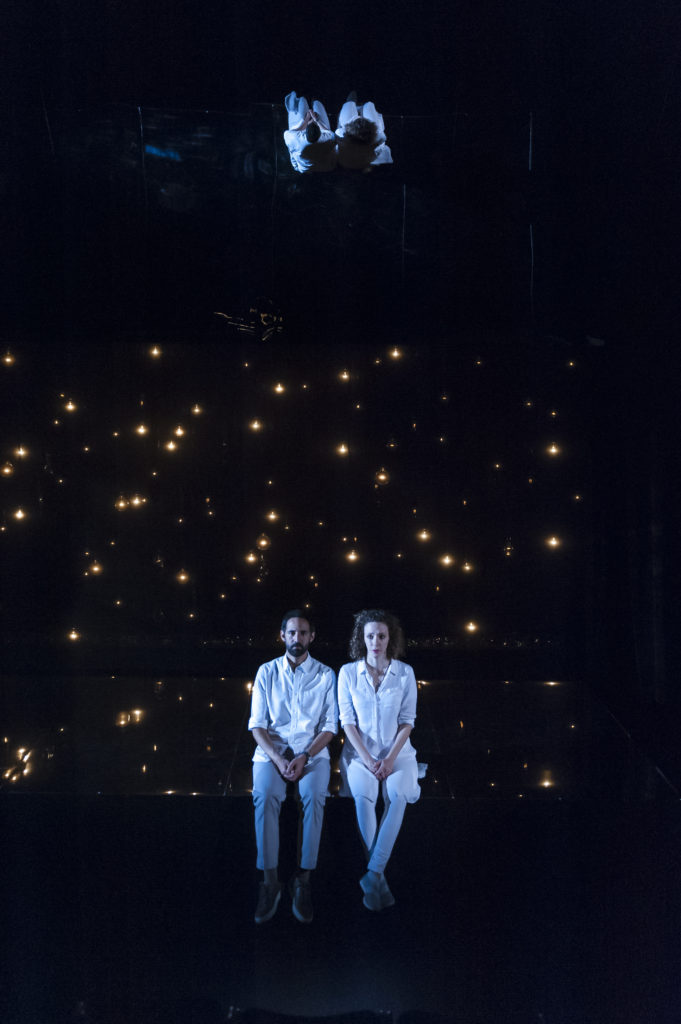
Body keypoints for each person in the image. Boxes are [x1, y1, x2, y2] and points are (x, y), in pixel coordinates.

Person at [248, 610, 337, 923]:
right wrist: (277, 757)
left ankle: (303, 881)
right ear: (282, 635)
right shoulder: (266, 672)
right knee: (265, 796)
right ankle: (271, 881)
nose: (297, 638)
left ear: (311, 637)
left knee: (315, 798)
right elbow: (257, 725)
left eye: (303, 633)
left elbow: (330, 725)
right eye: (292, 633)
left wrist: (305, 756)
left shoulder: (326, 675)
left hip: (310, 754)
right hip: (272, 753)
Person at [338, 609, 420, 910]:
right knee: (364, 797)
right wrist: (370, 759)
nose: (376, 641)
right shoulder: (348, 673)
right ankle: (377, 879)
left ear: (390, 638)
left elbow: (408, 720)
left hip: (399, 754)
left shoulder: (405, 673)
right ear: (362, 638)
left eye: (381, 636)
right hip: (360, 757)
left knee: (397, 796)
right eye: (370, 635)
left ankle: (373, 873)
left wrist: (388, 759)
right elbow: (346, 722)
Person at [283, 92, 338, 173]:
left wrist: (307, 119)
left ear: (305, 132)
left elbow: (293, 131)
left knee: (302, 100)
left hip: (304, 169)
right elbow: (328, 132)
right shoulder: (328, 139)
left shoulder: (294, 138)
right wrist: (316, 120)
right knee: (316, 104)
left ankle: (302, 103)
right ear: (320, 133)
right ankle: (315, 100)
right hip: (325, 167)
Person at [335, 94, 393, 171]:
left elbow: (339, 130)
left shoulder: (341, 135)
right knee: (369, 105)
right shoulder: (378, 138)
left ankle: (354, 99)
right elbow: (383, 137)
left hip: (351, 160)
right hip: (366, 159)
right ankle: (366, 103)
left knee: (350, 103)